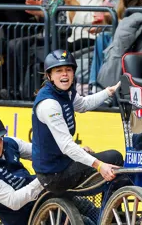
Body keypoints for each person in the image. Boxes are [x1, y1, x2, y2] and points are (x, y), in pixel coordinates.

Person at [32, 50, 124, 194]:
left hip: (62, 163)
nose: (64, 74)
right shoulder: (49, 104)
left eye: (68, 70)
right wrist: (99, 166)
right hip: (54, 175)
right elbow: (67, 146)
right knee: (114, 157)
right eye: (59, 71)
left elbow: (83, 105)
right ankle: (112, 208)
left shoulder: (66, 93)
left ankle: (110, 206)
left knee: (105, 160)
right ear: (49, 76)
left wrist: (108, 92)